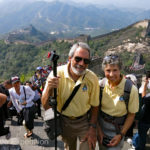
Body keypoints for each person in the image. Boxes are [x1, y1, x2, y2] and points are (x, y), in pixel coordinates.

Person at [42, 42, 99, 150]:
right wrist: (49, 88)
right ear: (70, 58)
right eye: (78, 59)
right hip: (65, 121)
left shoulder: (92, 78)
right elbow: (45, 105)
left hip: (84, 121)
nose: (82, 63)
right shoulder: (56, 74)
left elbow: (95, 105)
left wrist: (92, 128)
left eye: (86, 61)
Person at [97, 54, 139, 150]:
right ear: (104, 71)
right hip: (101, 128)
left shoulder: (130, 89)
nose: (111, 74)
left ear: (120, 70)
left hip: (118, 130)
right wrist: (99, 132)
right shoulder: (101, 86)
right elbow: (96, 110)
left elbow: (131, 115)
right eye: (108, 70)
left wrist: (120, 135)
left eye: (115, 70)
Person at [136, 77, 150, 150]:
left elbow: (143, 97)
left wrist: (145, 85)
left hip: (145, 120)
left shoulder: (148, 98)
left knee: (142, 136)